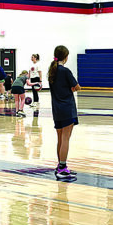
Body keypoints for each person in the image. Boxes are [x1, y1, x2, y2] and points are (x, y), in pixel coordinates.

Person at [48, 45, 80, 180]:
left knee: (60, 139)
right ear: (65, 57)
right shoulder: (65, 71)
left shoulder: (52, 71)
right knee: (66, 139)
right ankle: (62, 168)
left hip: (56, 109)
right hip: (67, 108)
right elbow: (77, 87)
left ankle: (60, 165)